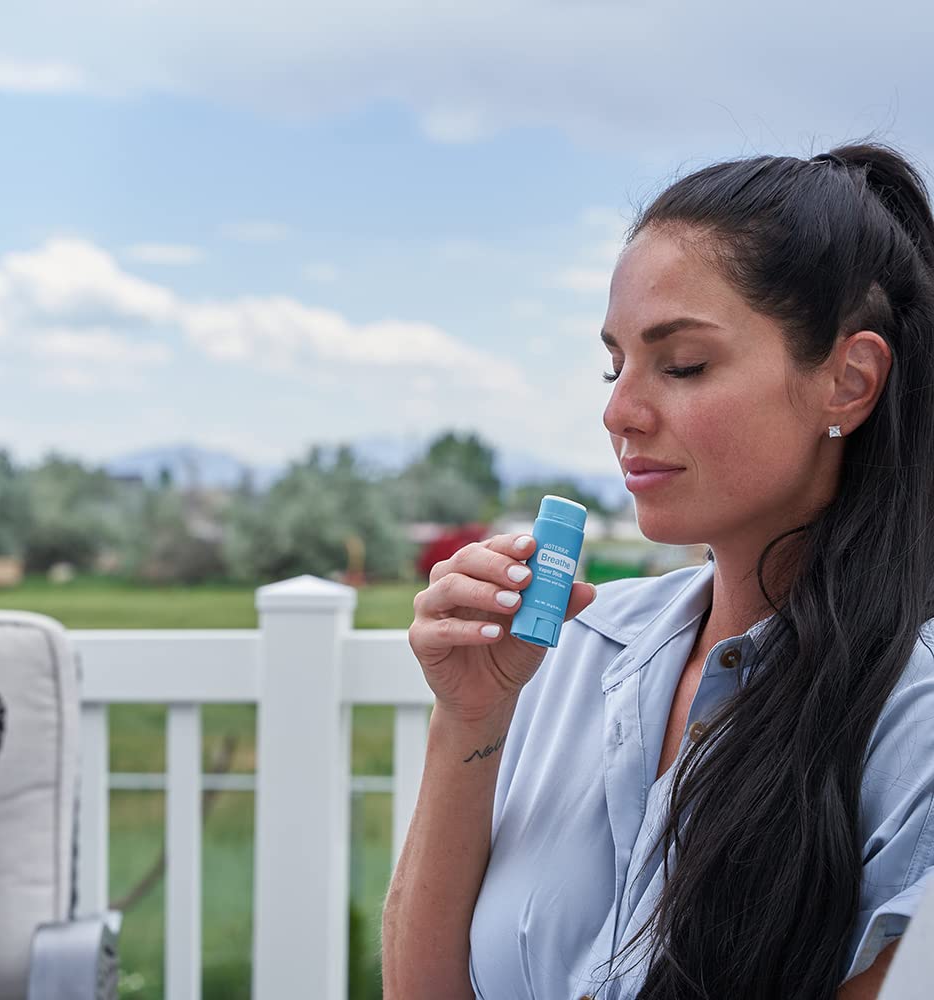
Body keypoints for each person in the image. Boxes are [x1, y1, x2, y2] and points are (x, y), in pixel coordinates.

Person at [380, 138, 934, 1000]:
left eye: (682, 365)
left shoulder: (912, 722)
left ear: (850, 381)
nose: (619, 411)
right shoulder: (575, 652)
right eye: (615, 363)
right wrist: (468, 717)